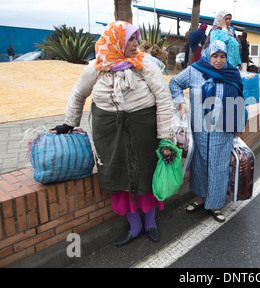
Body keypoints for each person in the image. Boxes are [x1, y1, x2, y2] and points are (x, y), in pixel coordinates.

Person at [50, 21, 175, 246]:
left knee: (146, 173)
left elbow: (164, 98)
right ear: (115, 42)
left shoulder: (145, 65)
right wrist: (69, 123)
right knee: (118, 175)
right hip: (108, 132)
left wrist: (166, 137)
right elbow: (78, 94)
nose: (136, 43)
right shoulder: (96, 67)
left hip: (144, 130)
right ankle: (134, 226)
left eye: (136, 38)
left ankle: (151, 223)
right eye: (130, 39)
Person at [169, 40, 247, 223]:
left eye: (223, 57)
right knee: (199, 165)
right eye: (215, 56)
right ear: (208, 55)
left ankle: (215, 204)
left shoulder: (232, 73)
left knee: (219, 167)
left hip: (223, 129)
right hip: (199, 129)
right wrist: (180, 102)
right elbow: (174, 83)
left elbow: (239, 98)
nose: (219, 61)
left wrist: (238, 125)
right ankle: (201, 198)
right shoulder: (195, 70)